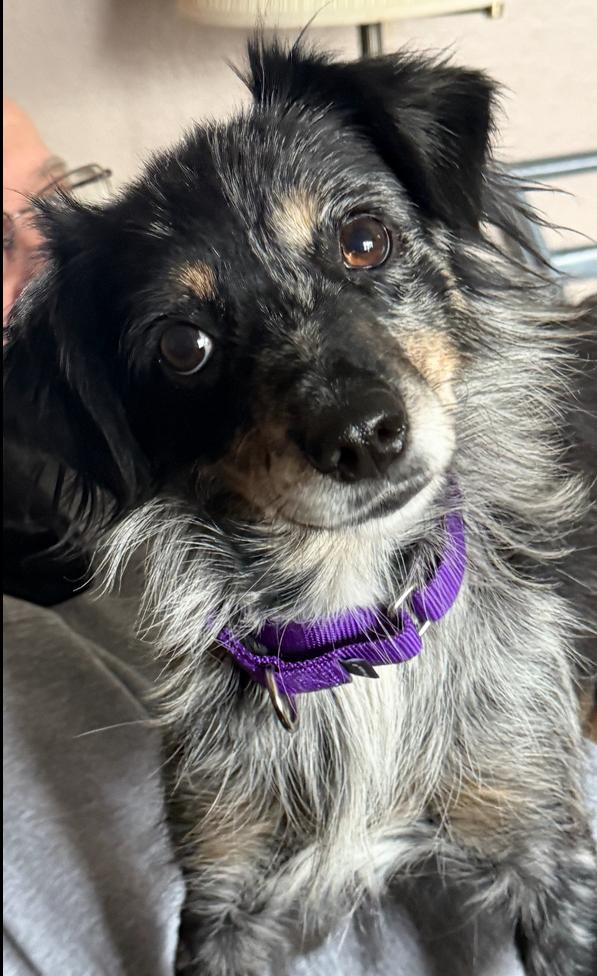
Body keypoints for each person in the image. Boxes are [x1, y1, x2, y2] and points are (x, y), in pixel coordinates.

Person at [3, 101, 595, 976]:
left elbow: (560, 907)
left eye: (361, 245)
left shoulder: (511, 666)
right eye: (187, 345)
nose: (350, 420)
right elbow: (225, 934)